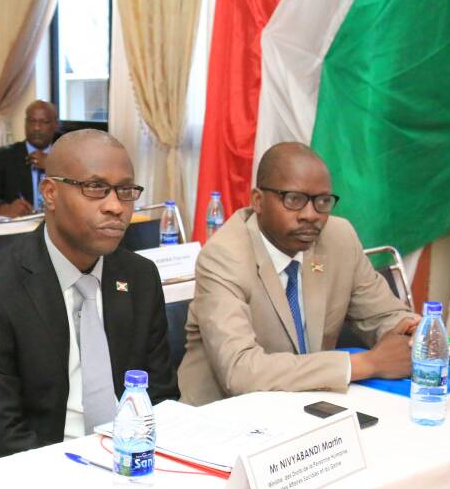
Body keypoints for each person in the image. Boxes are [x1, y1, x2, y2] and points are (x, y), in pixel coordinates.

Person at [0, 130, 178, 463]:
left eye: (125, 191)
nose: (115, 207)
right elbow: (0, 435)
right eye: (95, 188)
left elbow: (160, 398)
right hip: (34, 470)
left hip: (130, 464)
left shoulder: (140, 277)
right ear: (50, 193)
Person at [178, 142, 418, 406]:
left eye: (322, 201)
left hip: (310, 405)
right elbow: (240, 370)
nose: (310, 215)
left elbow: (383, 315)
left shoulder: (339, 238)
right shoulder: (224, 257)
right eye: (294, 200)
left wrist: (413, 332)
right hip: (225, 415)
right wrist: (366, 364)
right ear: (258, 201)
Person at [0, 100, 59, 217]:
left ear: (55, 125)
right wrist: (3, 209)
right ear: (25, 123)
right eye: (32, 121)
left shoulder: (66, 158)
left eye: (44, 122)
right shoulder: (3, 156)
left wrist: (52, 165)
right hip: (20, 226)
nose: (37, 128)